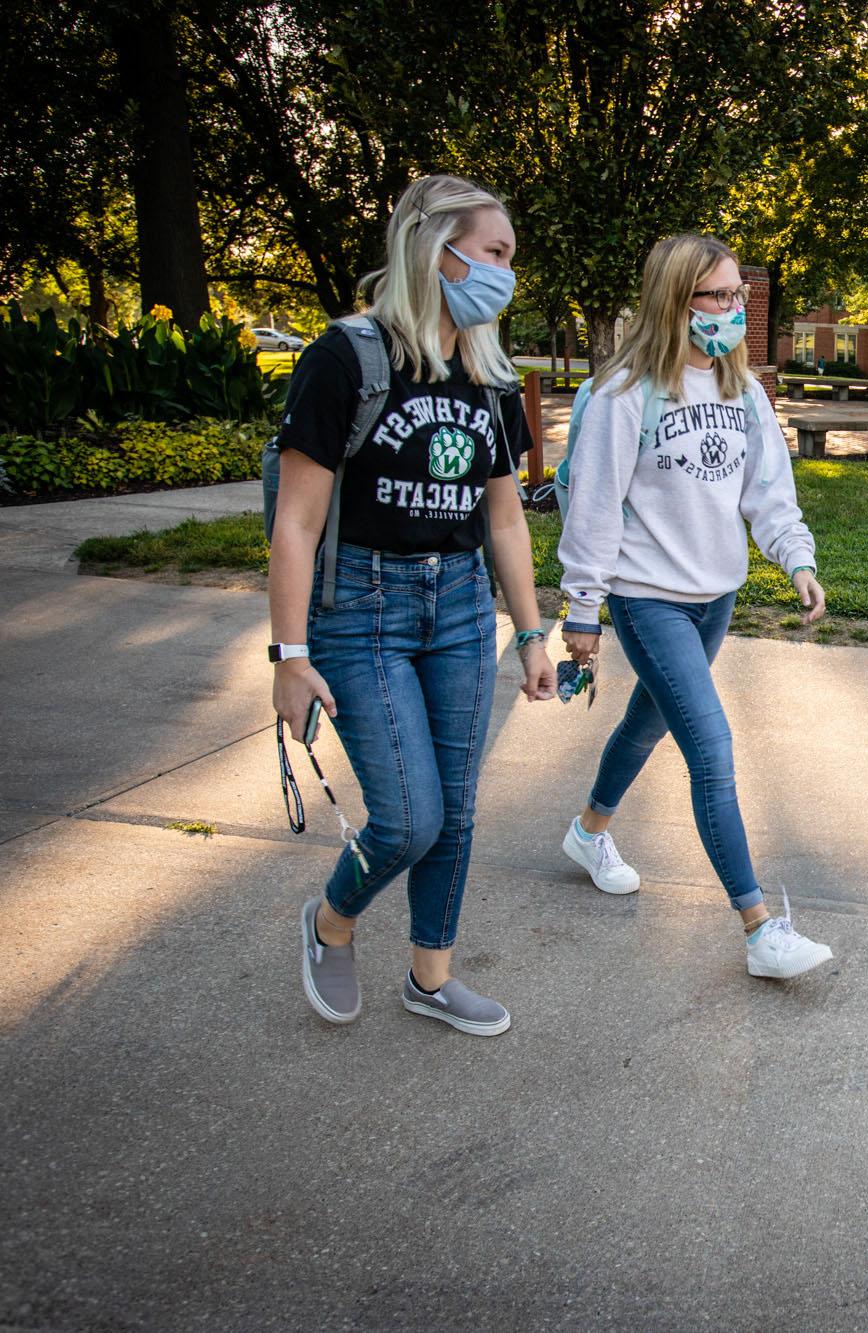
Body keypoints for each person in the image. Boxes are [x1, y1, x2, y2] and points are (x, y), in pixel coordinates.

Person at [271, 175, 556, 1037]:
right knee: (406, 817)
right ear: (439, 252)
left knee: (458, 811)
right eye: (495, 253)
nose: (506, 273)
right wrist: (289, 656)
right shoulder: (346, 359)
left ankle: (430, 978)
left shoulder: (491, 374)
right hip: (360, 609)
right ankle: (331, 920)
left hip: (463, 607)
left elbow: (505, 516)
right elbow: (296, 521)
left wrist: (531, 631)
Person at [557, 233, 834, 979]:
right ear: (675, 300)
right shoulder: (624, 394)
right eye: (717, 295)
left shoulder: (743, 392)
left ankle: (588, 831)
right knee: (709, 746)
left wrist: (797, 559)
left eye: (738, 295)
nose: (733, 308)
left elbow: (768, 493)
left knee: (645, 722)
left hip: (717, 598)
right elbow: (594, 507)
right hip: (648, 600)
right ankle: (758, 928)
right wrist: (583, 607)